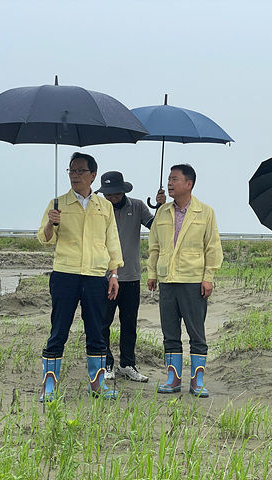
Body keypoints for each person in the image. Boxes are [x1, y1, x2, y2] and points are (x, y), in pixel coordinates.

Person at [37, 152, 123, 401]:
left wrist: (114, 273)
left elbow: (112, 241)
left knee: (96, 330)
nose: (75, 176)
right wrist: (50, 224)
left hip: (96, 276)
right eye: (71, 171)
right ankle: (49, 385)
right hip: (65, 274)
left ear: (93, 175)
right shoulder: (57, 203)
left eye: (80, 171)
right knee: (59, 329)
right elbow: (44, 240)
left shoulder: (104, 206)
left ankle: (97, 384)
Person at [147, 164, 223, 398]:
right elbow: (154, 246)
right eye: (169, 179)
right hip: (167, 280)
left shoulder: (206, 212)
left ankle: (197, 380)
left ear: (189, 184)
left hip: (192, 281)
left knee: (196, 332)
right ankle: (173, 379)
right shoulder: (162, 212)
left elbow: (213, 247)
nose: (170, 183)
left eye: (175, 179)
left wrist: (208, 277)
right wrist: (152, 273)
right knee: (170, 332)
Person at [96, 171, 166, 383]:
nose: (111, 198)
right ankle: (106, 363)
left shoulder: (137, 207)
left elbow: (157, 228)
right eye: (107, 194)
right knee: (102, 323)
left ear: (123, 191)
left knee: (129, 324)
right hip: (104, 276)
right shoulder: (98, 208)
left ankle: (127, 364)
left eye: (115, 194)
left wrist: (161, 207)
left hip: (131, 277)